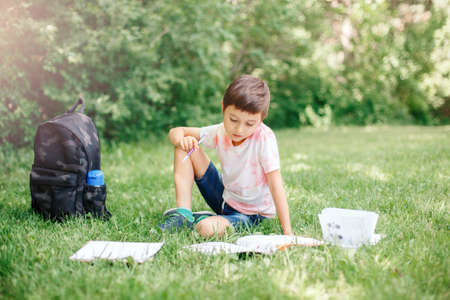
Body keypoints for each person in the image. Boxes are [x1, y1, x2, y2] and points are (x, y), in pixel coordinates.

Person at [158, 75, 292, 237]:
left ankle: (212, 220)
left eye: (250, 123)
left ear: (261, 119)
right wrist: (182, 140)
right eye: (233, 120)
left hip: (252, 216)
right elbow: (176, 131)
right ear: (223, 108)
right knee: (185, 145)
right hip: (225, 199)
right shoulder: (221, 131)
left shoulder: (264, 139)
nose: (239, 129)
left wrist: (288, 232)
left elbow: (276, 185)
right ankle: (184, 214)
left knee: (207, 229)